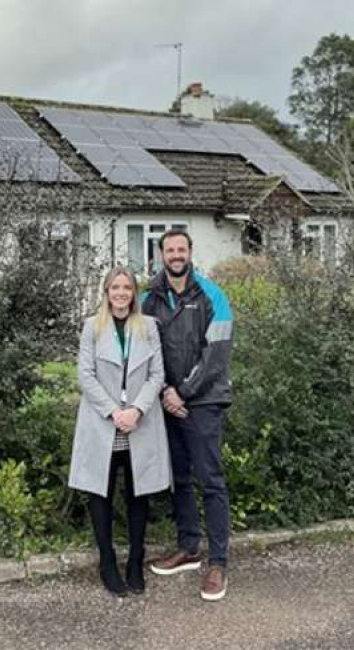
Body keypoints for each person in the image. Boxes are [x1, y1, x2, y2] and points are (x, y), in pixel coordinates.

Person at [69, 266, 172, 597]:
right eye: (115, 287)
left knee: (138, 493)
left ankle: (135, 560)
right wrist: (114, 412)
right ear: (106, 292)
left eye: (127, 287)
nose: (121, 293)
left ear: (134, 292)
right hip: (104, 422)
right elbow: (85, 376)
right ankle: (107, 561)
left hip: (139, 422)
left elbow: (158, 374)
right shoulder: (91, 327)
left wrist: (137, 409)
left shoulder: (149, 327)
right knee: (101, 492)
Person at [142, 229, 233, 602]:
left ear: (190, 253)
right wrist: (165, 391)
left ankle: (218, 561)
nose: (176, 255)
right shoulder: (149, 298)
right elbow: (146, 350)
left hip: (204, 401)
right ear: (161, 254)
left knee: (210, 479)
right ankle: (188, 547)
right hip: (167, 402)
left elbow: (216, 354)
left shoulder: (213, 295)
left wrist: (184, 392)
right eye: (170, 249)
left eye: (182, 249)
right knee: (178, 477)